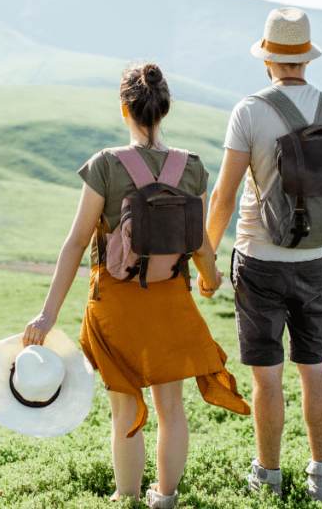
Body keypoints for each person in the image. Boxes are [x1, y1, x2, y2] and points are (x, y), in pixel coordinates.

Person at [23, 62, 250, 508]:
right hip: (170, 301)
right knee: (172, 410)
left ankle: (124, 497)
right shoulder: (192, 169)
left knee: (126, 411)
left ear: (124, 108)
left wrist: (48, 315)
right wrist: (209, 280)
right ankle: (164, 497)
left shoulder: (106, 165)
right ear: (164, 109)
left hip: (116, 306)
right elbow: (200, 244)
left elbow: (75, 244)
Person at [205, 8, 322, 506]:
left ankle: (268, 477)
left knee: (268, 376)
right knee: (315, 369)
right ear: (306, 58)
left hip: (259, 260)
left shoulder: (250, 111)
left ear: (267, 59)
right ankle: (320, 477)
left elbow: (223, 196)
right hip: (317, 261)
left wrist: (206, 259)